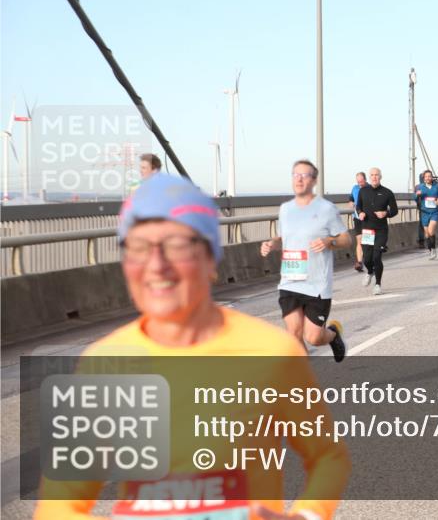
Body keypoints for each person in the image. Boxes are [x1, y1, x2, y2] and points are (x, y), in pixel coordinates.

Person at [35, 173, 350, 520]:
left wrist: (306, 516)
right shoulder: (103, 363)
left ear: (210, 257)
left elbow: (326, 456)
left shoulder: (272, 352)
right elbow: (59, 504)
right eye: (138, 248)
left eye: (176, 245)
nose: (156, 266)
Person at [260, 159, 351, 361]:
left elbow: (346, 239)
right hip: (290, 280)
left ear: (314, 180)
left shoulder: (326, 209)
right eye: (296, 175)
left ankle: (333, 334)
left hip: (317, 285)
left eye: (305, 175)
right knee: (293, 335)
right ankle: (304, 387)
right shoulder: (285, 209)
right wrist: (271, 244)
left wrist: (329, 241)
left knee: (314, 337)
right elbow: (282, 238)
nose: (299, 179)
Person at [356, 167, 398, 294]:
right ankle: (370, 272)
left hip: (381, 230)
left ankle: (378, 284)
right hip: (367, 230)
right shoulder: (363, 191)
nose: (374, 177)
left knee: (376, 257)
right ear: (369, 177)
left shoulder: (387, 192)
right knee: (367, 259)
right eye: (372, 175)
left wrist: (385, 213)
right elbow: (358, 206)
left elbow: (395, 210)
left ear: (381, 177)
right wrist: (360, 213)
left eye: (377, 175)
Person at [415, 170, 438, 260]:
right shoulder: (420, 187)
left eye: (429, 176)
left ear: (431, 177)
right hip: (424, 212)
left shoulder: (437, 186)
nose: (428, 178)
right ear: (423, 178)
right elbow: (415, 198)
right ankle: (430, 250)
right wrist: (417, 195)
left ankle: (434, 250)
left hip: (434, 212)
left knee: (431, 231)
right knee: (427, 234)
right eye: (426, 176)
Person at [350, 171, 367, 272]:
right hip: (357, 217)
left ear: (365, 179)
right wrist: (351, 202)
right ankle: (359, 262)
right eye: (358, 181)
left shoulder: (369, 188)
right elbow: (351, 198)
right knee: (359, 240)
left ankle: (369, 260)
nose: (360, 183)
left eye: (361, 181)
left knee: (367, 241)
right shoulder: (355, 188)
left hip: (367, 218)